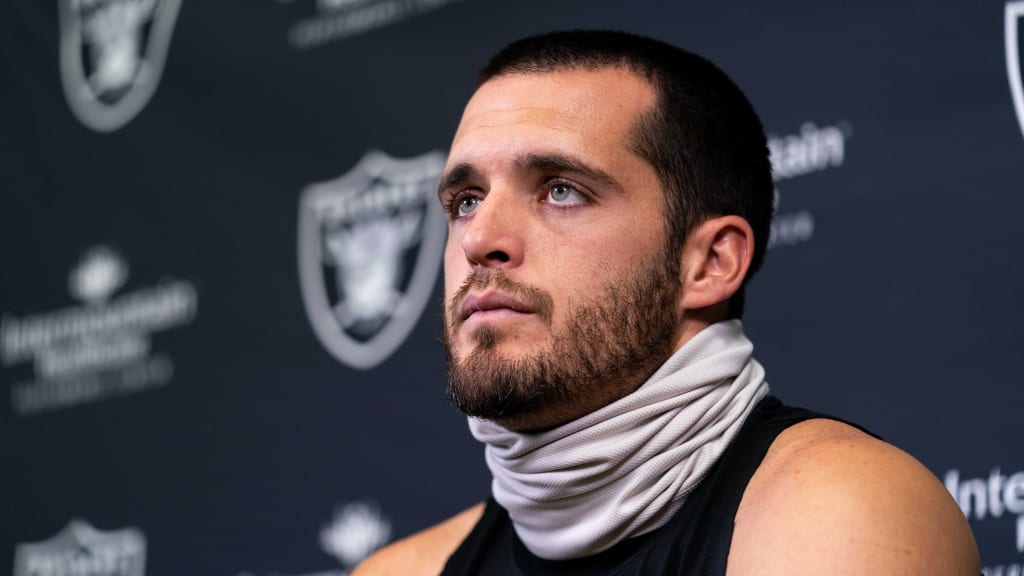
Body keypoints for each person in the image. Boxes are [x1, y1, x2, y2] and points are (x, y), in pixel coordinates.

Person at [353, 30, 980, 575]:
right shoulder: (402, 570)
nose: (481, 239)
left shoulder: (843, 512)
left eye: (561, 191)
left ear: (709, 264)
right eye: (465, 200)